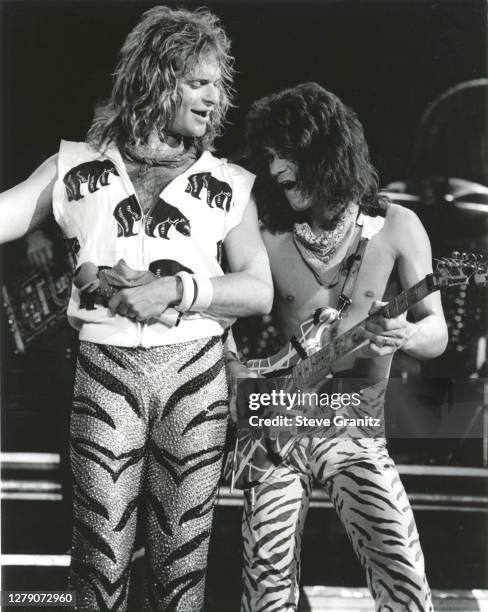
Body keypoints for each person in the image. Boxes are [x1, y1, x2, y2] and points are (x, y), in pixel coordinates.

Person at [0, 6, 273, 610]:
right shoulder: (74, 164)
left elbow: (259, 289)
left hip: (195, 376)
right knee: (99, 559)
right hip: (104, 372)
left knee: (183, 563)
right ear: (157, 75)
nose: (214, 96)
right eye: (199, 81)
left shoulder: (230, 181)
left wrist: (177, 290)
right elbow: (5, 215)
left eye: (218, 84)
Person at [226, 83, 448, 612]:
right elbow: (220, 315)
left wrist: (410, 335)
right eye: (272, 157)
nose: (278, 170)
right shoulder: (262, 230)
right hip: (276, 422)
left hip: (354, 423)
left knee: (404, 579)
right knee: (265, 590)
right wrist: (233, 368)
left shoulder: (397, 226)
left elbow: (435, 330)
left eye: (290, 155)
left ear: (328, 152)